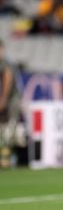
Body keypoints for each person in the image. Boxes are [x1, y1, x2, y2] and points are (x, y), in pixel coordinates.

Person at [0, 39, 21, 168]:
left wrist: (3, 99)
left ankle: (10, 158)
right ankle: (4, 158)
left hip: (11, 100)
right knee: (4, 130)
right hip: (6, 99)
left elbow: (8, 80)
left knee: (10, 129)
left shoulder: (5, 63)